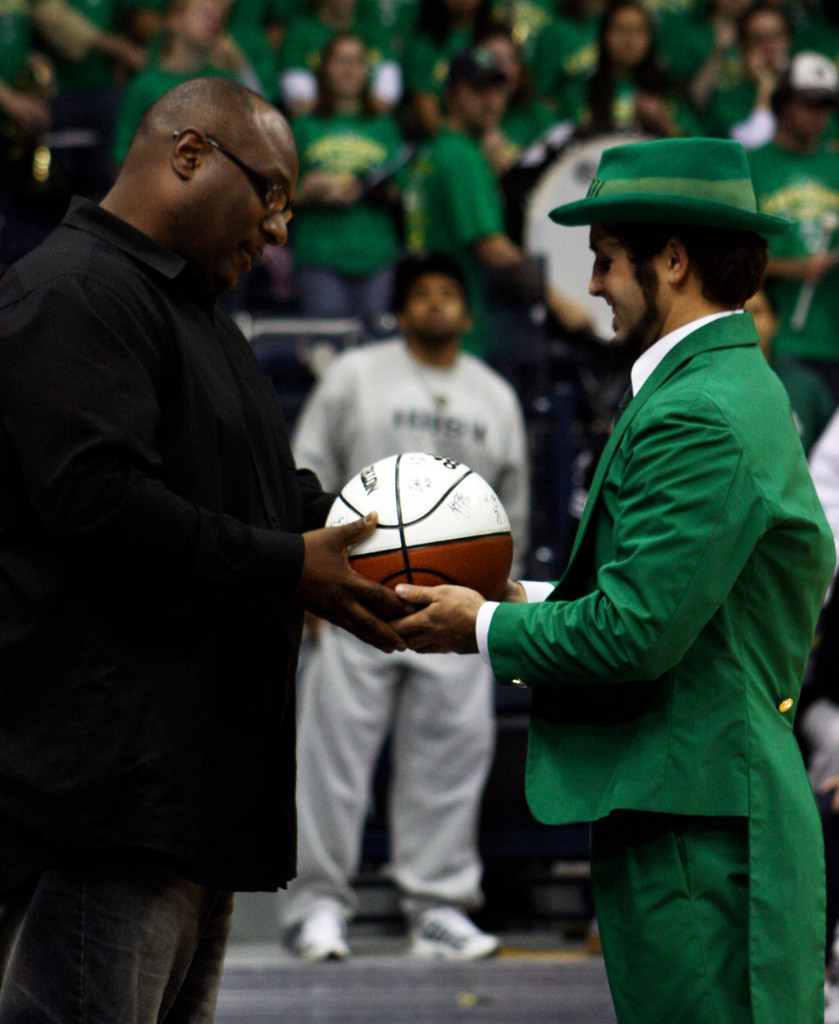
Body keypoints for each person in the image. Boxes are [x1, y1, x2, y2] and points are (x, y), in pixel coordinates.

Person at [391, 136, 836, 1024]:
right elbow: (674, 607)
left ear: (672, 260)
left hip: (697, 821)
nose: (590, 285)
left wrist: (477, 625)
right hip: (696, 807)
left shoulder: (698, 413)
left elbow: (634, 632)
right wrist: (512, 602)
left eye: (603, 262)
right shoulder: (720, 387)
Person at [0, 76, 407, 1024]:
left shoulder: (192, 314)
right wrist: (288, 566)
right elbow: (102, 508)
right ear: (189, 155)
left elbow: (271, 497)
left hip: (185, 806)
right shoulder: (74, 293)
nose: (278, 230)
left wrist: (411, 553)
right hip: (98, 813)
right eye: (270, 193)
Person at [278, 251, 530, 962]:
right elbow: (308, 468)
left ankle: (439, 907)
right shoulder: (356, 377)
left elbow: (511, 510)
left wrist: (493, 600)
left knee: (450, 759)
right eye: (423, 293)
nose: (437, 305)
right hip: (355, 597)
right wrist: (308, 585)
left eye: (450, 293)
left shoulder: (494, 396)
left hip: (456, 606)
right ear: (399, 307)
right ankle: (318, 908)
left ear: (470, 313)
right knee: (329, 761)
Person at [403, 45, 594, 359]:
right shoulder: (462, 157)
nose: (490, 100)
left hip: (427, 309)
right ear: (451, 95)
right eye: (477, 89)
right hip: (462, 323)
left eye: (498, 89)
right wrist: (559, 303)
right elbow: (489, 245)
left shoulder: (436, 149)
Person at [290, 32, 405, 322]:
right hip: (320, 255)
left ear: (368, 70)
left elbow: (400, 191)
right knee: (327, 350)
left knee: (374, 353)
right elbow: (278, 194)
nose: (349, 69)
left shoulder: (385, 126)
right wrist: (312, 191)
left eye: (357, 61)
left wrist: (366, 188)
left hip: (377, 255)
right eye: (340, 61)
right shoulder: (303, 126)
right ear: (324, 68)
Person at [747, 50, 839, 403]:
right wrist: (792, 269)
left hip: (832, 334)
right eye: (809, 103)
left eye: (826, 105)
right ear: (783, 103)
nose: (819, 116)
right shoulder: (753, 166)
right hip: (777, 339)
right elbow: (732, 256)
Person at [745, 287, 835, 455]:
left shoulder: (805, 384)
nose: (748, 323)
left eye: (756, 312)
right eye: (739, 316)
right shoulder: (712, 384)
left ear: (775, 321)